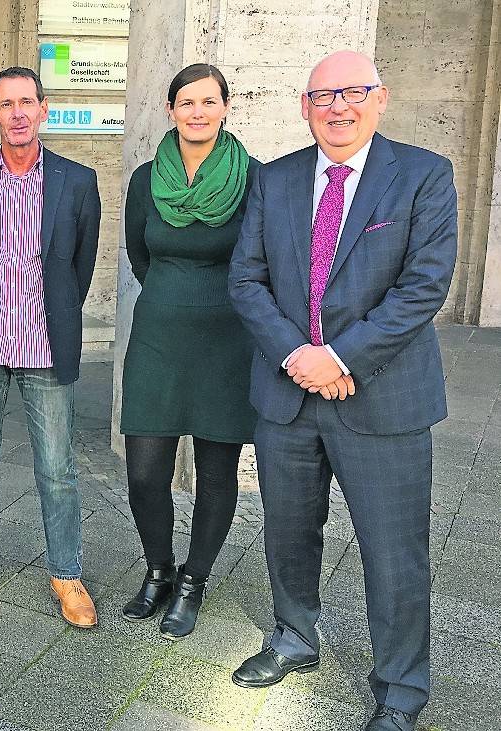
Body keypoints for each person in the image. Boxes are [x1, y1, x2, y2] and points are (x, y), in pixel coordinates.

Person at [228, 51, 457, 731]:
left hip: (381, 396)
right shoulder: (274, 179)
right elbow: (246, 279)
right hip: (288, 393)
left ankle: (400, 686)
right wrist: (299, 354)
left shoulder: (422, 175)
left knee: (393, 550)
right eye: (322, 95)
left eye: (353, 92)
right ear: (303, 106)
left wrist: (339, 356)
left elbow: (423, 287)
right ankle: (293, 637)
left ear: (379, 99)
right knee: (288, 533)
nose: (337, 106)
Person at [0, 66, 101, 628]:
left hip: (44, 343)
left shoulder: (77, 181)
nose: (17, 113)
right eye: (6, 104)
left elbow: (78, 267)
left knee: (57, 470)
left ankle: (67, 574)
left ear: (44, 109)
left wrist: (54, 314)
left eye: (26, 102)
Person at [119, 64, 259, 640]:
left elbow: (263, 256)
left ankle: (195, 579)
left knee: (216, 469)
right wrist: (173, 290)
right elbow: (138, 251)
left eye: (208, 101)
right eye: (186, 102)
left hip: (228, 334)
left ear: (226, 106)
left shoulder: (255, 180)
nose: (197, 112)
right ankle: (159, 569)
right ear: (170, 109)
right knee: (146, 468)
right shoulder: (146, 179)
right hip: (159, 330)